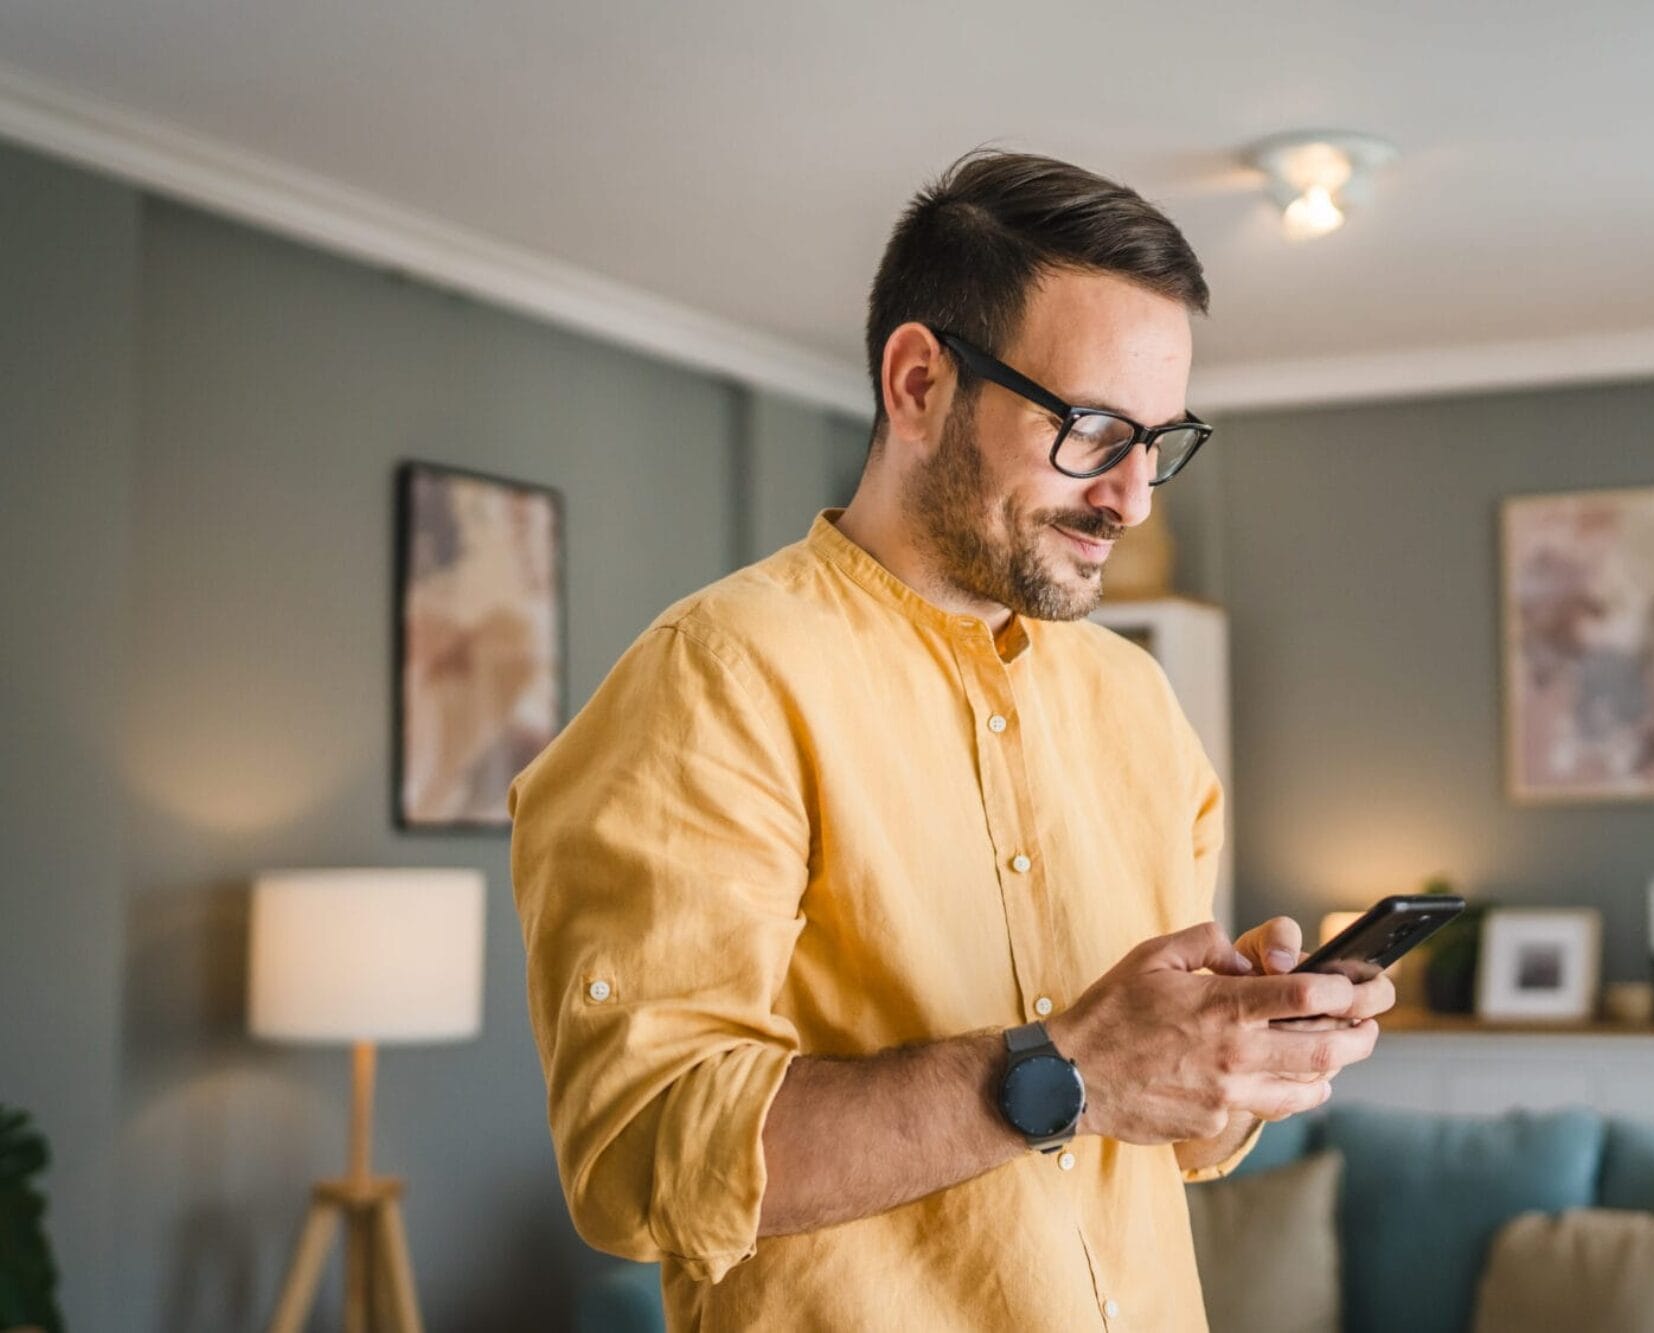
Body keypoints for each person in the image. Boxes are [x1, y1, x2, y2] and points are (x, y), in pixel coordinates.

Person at [508, 148, 1394, 1331]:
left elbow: (1163, 1142)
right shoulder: (714, 681)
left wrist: (1231, 1063)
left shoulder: (1140, 708)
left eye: (1159, 442)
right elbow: (637, 1157)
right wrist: (1069, 1074)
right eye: (1090, 429)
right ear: (919, 382)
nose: (1131, 498)